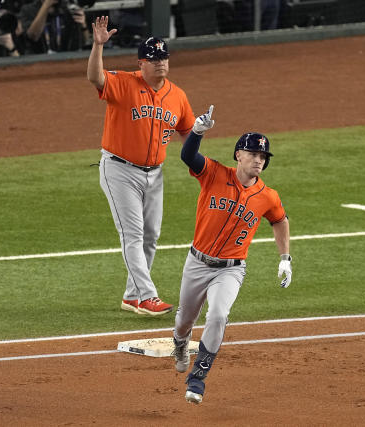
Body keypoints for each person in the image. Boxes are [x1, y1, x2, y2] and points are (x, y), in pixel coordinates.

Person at [171, 105, 292, 404]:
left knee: (219, 315)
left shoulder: (268, 196)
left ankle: (198, 377)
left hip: (231, 269)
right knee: (184, 321)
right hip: (197, 263)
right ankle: (180, 342)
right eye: (253, 154)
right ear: (238, 154)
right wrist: (197, 132)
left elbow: (280, 220)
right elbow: (188, 157)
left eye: (263, 156)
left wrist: (285, 258)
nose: (258, 160)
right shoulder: (213, 173)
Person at [87, 16, 196, 316]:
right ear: (141, 63)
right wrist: (98, 46)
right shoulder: (124, 82)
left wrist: (198, 141)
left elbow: (187, 133)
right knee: (133, 235)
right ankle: (147, 296)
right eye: (153, 58)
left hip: (155, 174)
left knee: (151, 236)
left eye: (163, 57)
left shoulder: (178, 96)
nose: (159, 63)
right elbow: (95, 78)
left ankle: (132, 295)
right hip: (119, 170)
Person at [19, 0, 89, 54]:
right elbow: (33, 36)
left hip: (64, 58)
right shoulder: (28, 9)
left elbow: (84, 41)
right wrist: (46, 5)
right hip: (37, 59)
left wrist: (83, 25)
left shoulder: (66, 8)